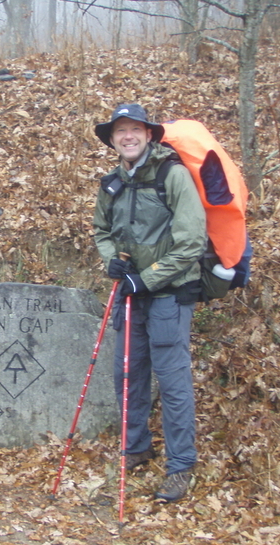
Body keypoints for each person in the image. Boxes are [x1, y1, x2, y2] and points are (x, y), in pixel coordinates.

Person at [92, 104, 207, 503]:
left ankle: (181, 466)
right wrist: (111, 258)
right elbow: (101, 230)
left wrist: (148, 279)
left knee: (172, 380)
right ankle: (136, 446)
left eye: (135, 129)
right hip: (131, 292)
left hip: (169, 294)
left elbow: (192, 242)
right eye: (120, 131)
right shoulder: (111, 183)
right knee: (127, 372)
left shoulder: (172, 176)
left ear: (149, 134)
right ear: (112, 139)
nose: (128, 136)